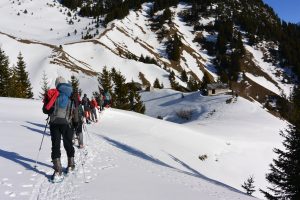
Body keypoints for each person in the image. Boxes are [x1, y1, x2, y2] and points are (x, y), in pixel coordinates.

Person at [45, 76, 75, 182]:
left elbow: (45, 110)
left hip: (54, 123)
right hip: (67, 123)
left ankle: (58, 170)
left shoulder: (53, 93)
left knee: (55, 145)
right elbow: (75, 109)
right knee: (68, 143)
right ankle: (71, 164)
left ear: (57, 84)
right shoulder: (71, 93)